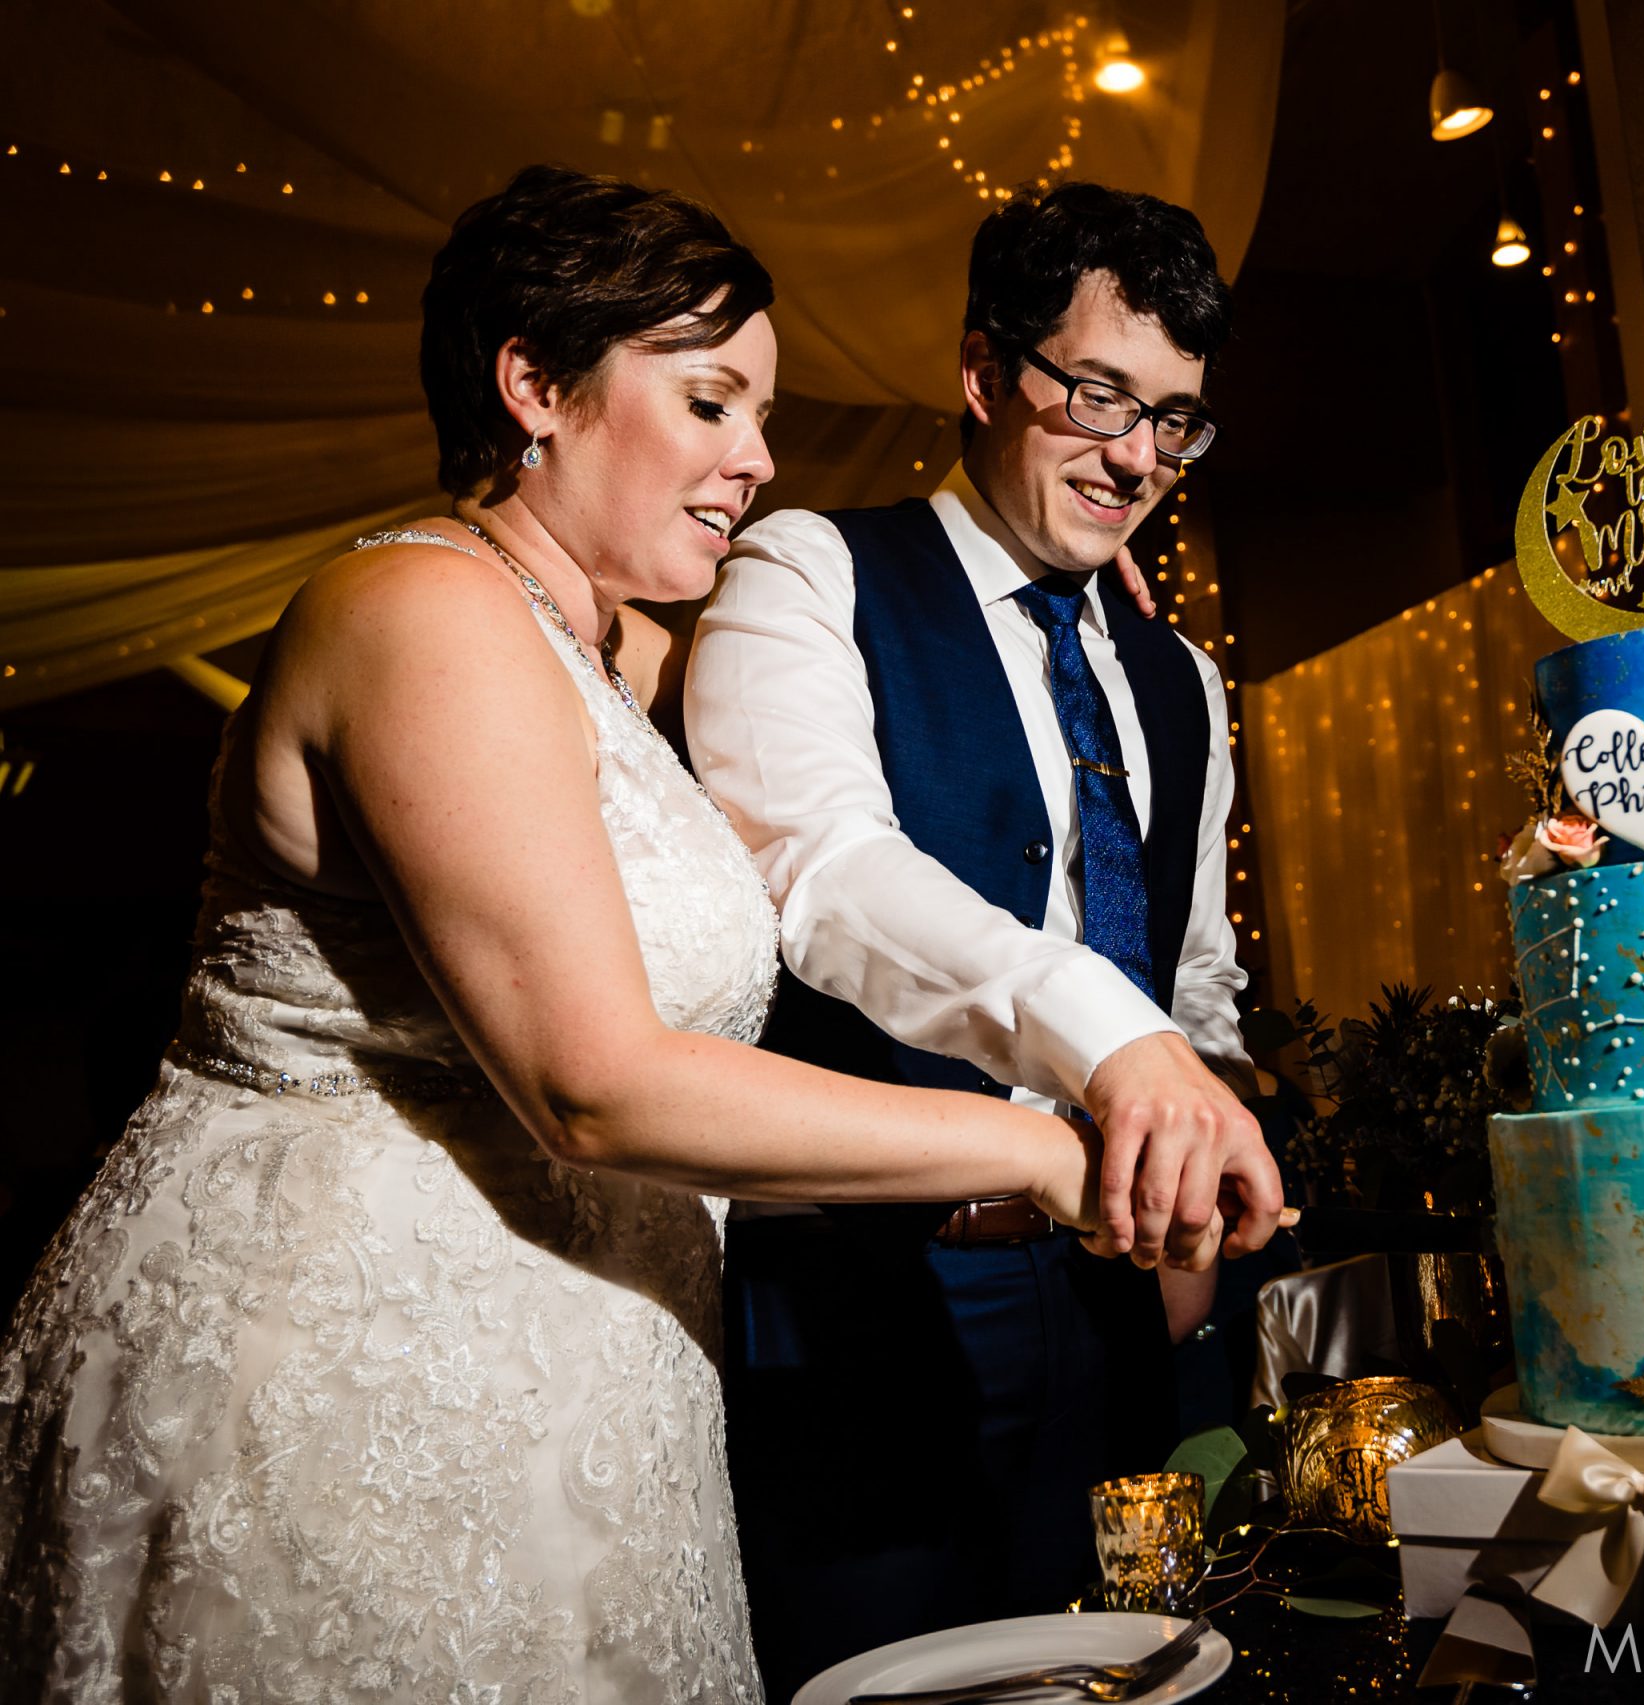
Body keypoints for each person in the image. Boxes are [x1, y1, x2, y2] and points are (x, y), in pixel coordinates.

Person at [0, 165, 1271, 1702]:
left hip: (589, 1373)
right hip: (353, 1370)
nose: (761, 459)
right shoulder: (419, 615)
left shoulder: (626, 657)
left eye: (759, 415)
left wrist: (1069, 570)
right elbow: (599, 1075)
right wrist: (1057, 1151)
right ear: (533, 383)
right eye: (713, 404)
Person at [686, 182, 1279, 1688]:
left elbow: (1193, 977)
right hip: (869, 1307)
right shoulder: (809, 571)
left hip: (1132, 1297)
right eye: (1097, 395)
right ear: (980, 373)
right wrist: (1110, 1035)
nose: (1138, 456)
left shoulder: (1178, 678)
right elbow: (817, 871)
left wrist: (1194, 1181)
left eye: (1176, 418)